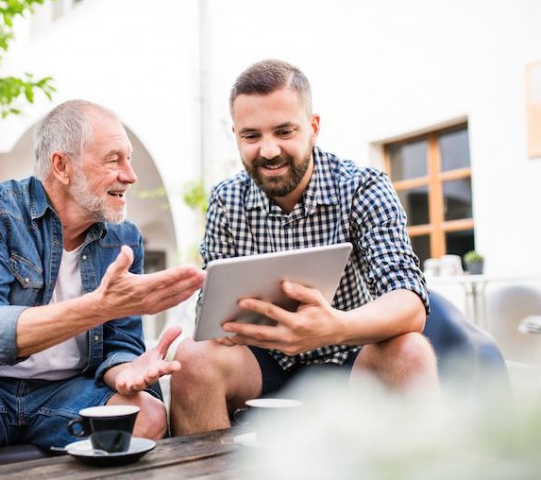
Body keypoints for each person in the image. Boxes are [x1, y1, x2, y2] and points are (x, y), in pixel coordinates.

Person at [0, 100, 205, 477]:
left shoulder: (124, 238)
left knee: (144, 414)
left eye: (130, 159)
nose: (130, 175)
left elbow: (120, 343)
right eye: (113, 159)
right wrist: (98, 307)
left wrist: (123, 369)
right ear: (61, 166)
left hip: (68, 393)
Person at [169, 59, 440, 435]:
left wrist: (334, 327)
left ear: (312, 128)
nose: (268, 151)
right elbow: (212, 315)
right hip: (263, 365)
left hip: (351, 357)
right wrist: (228, 326)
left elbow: (409, 302)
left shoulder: (362, 186)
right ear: (236, 135)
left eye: (284, 131)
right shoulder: (226, 200)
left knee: (410, 350)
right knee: (193, 358)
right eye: (251, 136)